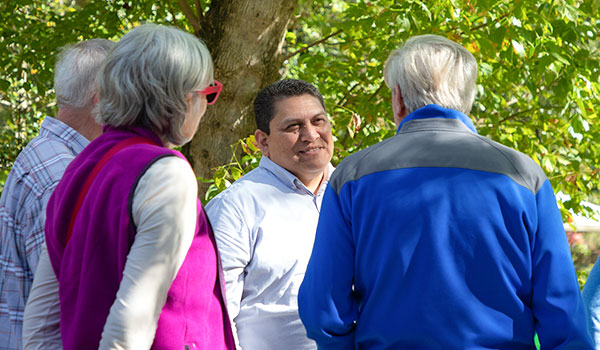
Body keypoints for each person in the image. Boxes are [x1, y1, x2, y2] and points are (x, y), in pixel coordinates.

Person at [298, 34, 593, 349]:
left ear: (397, 99)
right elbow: (561, 310)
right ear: (468, 98)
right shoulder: (523, 174)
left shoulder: (352, 176)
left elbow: (324, 305)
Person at [21, 24, 235, 350]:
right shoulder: (167, 175)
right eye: (207, 94)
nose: (206, 107)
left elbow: (40, 324)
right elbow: (130, 326)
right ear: (181, 99)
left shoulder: (79, 167)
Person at [0, 38, 114, 350]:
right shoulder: (62, 177)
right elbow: (66, 311)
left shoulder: (49, 154)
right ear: (100, 99)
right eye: (127, 93)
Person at [205, 79, 334, 350]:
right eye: (293, 127)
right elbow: (214, 314)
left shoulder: (356, 194)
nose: (310, 135)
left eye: (318, 121)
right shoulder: (235, 208)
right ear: (263, 141)